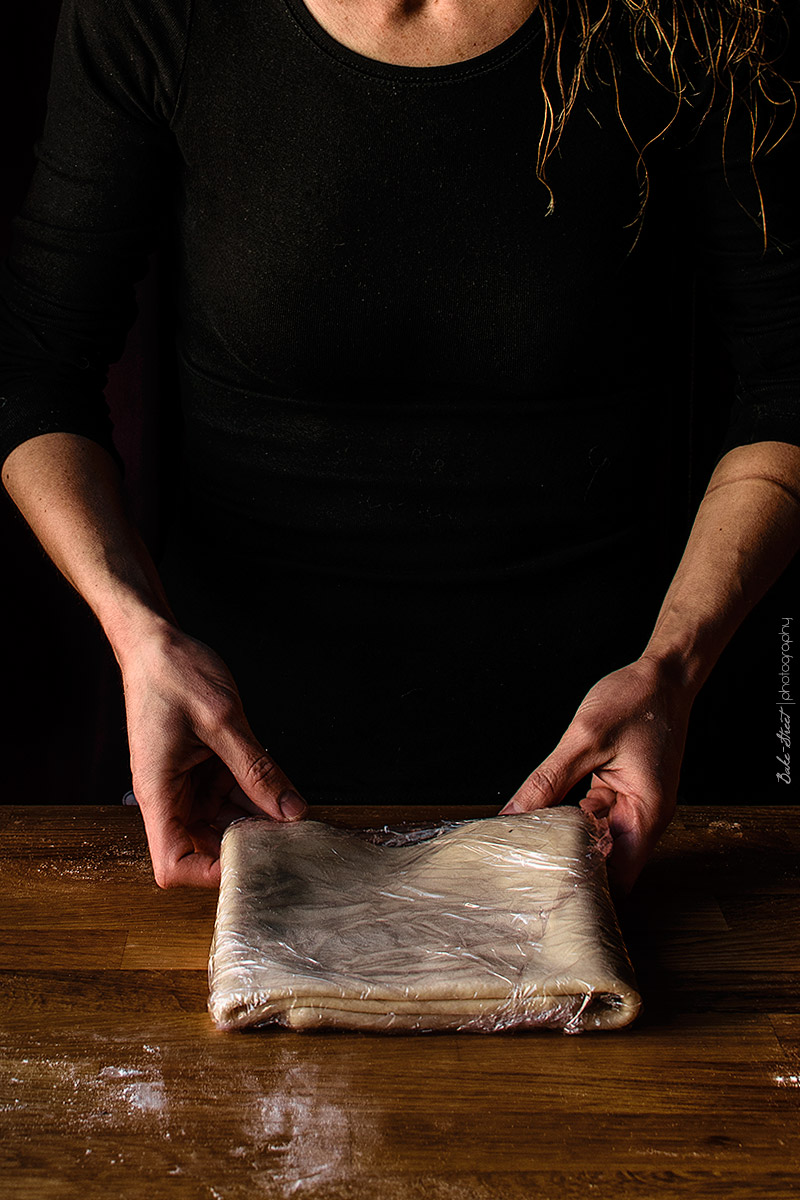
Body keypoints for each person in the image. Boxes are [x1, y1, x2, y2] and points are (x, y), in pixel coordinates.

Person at [1, 0, 799, 892]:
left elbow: (787, 383)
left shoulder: (696, 18)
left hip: (604, 795)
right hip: (231, 793)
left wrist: (673, 671)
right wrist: (134, 633)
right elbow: (38, 367)